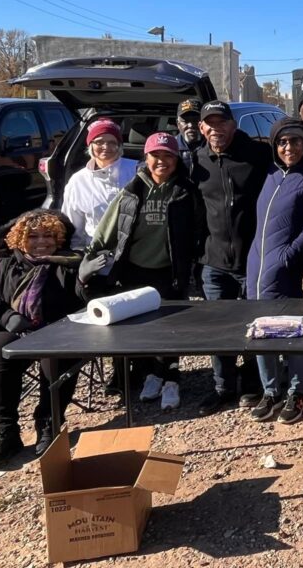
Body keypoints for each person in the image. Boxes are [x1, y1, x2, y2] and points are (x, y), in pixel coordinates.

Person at [80, 132, 201, 411]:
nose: (162, 161)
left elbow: (199, 228)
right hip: (134, 270)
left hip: (170, 271)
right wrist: (87, 264)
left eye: (168, 155)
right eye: (156, 155)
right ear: (146, 158)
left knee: (170, 329)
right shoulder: (132, 192)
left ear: (176, 159)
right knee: (141, 327)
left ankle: (171, 379)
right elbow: (106, 231)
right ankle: (151, 376)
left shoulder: (186, 192)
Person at [0, 210, 83, 467]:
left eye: (48, 235)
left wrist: (86, 280)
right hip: (12, 327)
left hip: (58, 329)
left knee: (59, 356)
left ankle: (49, 423)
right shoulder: (3, 267)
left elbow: (88, 301)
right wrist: (5, 315)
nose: (41, 242)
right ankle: (3, 434)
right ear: (20, 239)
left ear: (59, 238)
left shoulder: (69, 265)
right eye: (33, 236)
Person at [191, 100, 273, 415]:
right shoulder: (196, 161)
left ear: (233, 125)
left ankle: (251, 383)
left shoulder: (258, 154)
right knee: (219, 327)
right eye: (209, 124)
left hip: (253, 258)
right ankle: (222, 387)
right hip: (214, 261)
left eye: (222, 122)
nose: (216, 129)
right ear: (201, 128)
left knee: (254, 324)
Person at [246, 118, 303, 424]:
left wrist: (290, 254)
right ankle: (270, 391)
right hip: (257, 265)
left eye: (295, 141)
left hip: (289, 265)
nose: (289, 147)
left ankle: (296, 392)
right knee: (260, 330)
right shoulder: (269, 173)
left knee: (294, 329)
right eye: (282, 142)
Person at [61, 118, 135, 251]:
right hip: (97, 253)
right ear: (90, 145)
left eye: (112, 142)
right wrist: (77, 254)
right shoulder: (78, 181)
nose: (106, 147)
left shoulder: (136, 170)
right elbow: (73, 225)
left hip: (134, 250)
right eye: (99, 142)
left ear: (119, 146)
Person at [175, 99, 205, 176]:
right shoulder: (170, 147)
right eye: (185, 121)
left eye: (196, 120)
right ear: (178, 124)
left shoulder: (214, 145)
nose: (191, 125)